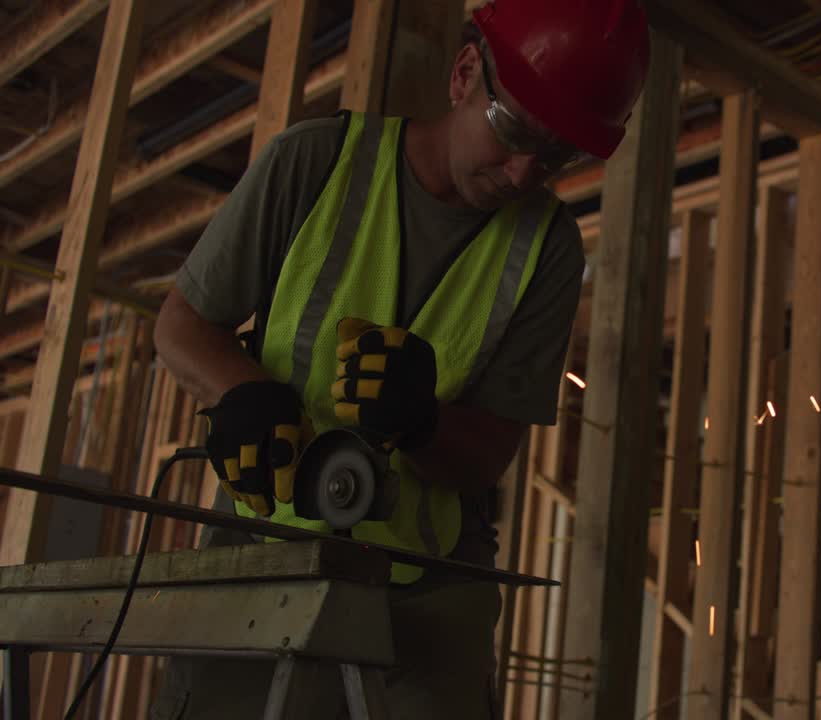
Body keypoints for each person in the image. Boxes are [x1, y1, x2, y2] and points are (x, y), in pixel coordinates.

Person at [147, 1, 650, 716]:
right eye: (514, 131)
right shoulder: (315, 162)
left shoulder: (548, 250)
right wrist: (244, 392)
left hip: (427, 600)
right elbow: (181, 326)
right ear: (465, 72)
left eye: (556, 157)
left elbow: (489, 456)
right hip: (265, 557)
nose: (520, 172)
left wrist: (423, 423)